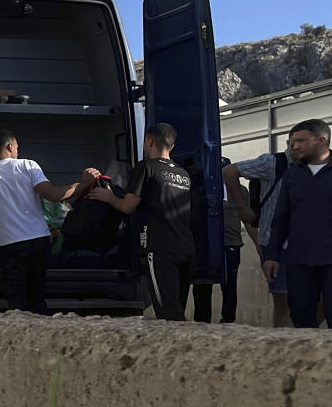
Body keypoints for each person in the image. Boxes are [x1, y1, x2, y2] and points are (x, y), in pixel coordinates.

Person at [0, 130, 99, 314]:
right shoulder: (27, 165)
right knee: (37, 296)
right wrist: (81, 185)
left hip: (8, 244)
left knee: (16, 300)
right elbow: (52, 195)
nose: (18, 150)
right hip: (37, 240)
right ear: (10, 146)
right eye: (17, 146)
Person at [89, 123, 193, 321]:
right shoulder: (183, 174)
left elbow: (128, 206)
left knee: (167, 314)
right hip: (186, 247)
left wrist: (108, 197)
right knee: (177, 308)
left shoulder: (146, 167)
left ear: (149, 141)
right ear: (172, 145)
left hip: (160, 249)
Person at [263, 119, 332, 329]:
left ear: (322, 140)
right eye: (292, 142)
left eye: (300, 141)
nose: (294, 146)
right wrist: (272, 255)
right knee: (301, 316)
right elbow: (281, 218)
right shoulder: (292, 174)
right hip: (299, 260)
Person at [222, 143, 295, 327]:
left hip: (239, 242)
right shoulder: (273, 164)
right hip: (271, 244)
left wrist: (256, 244)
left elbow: (249, 221)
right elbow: (249, 217)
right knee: (282, 302)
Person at [192, 180, 247, 323]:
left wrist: (258, 243)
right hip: (207, 244)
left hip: (229, 244)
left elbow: (246, 218)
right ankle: (202, 322)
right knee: (203, 286)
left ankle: (228, 321)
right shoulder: (201, 189)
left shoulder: (240, 190)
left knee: (229, 287)